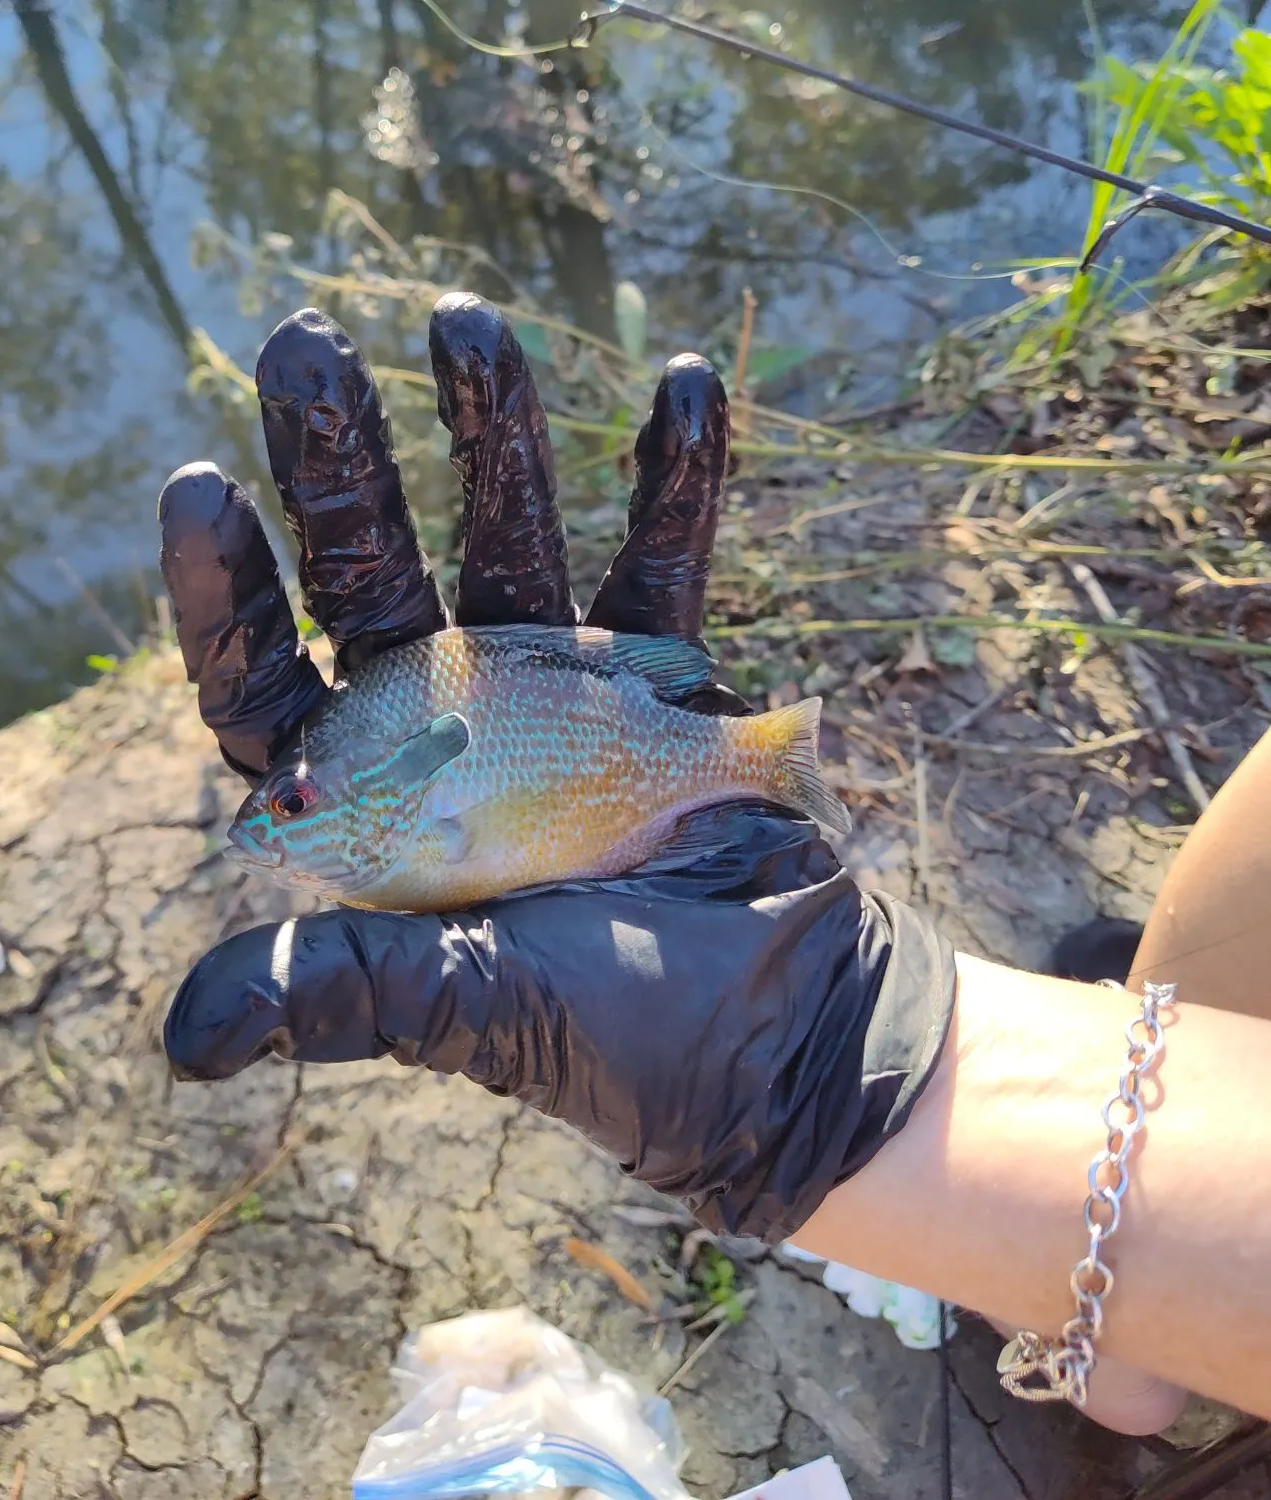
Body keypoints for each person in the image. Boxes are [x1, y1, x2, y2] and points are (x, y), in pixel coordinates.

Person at [156, 293, 1271, 1438]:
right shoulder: (390, 802)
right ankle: (1117, 1273)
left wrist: (835, 1073)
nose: (274, 826)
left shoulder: (403, 824)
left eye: (292, 803)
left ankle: (1096, 1277)